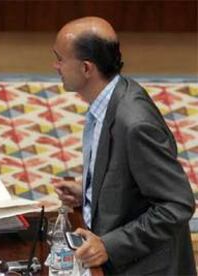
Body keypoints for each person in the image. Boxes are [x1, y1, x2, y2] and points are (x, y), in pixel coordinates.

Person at [52, 17, 196, 275]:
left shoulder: (135, 124)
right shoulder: (107, 99)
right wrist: (88, 190)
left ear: (86, 68)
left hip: (147, 267)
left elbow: (177, 205)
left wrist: (109, 245)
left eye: (60, 59)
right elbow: (127, 174)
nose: (55, 66)